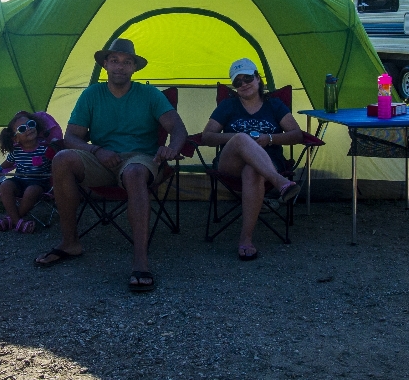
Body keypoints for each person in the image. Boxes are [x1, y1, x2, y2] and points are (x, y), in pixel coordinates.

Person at [34, 38, 188, 292]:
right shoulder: (92, 95)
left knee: (135, 172)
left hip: (140, 158)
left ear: (134, 68)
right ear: (105, 64)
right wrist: (96, 150)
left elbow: (177, 128)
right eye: (114, 60)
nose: (120, 66)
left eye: (127, 62)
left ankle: (141, 261)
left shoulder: (149, 94)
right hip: (101, 158)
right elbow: (71, 137)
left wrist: (172, 149)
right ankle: (70, 242)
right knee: (62, 159)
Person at [200, 58, 302, 261]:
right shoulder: (228, 105)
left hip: (266, 161)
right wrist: (240, 140)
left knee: (252, 170)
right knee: (240, 138)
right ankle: (280, 182)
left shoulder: (274, 105)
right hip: (230, 163)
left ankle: (246, 239)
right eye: (237, 82)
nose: (244, 84)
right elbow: (207, 137)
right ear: (234, 87)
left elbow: (297, 134)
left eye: (248, 78)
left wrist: (269, 139)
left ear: (258, 78)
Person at [0, 110, 63, 233]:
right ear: (16, 138)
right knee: (6, 186)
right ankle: (17, 221)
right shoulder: (16, 151)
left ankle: (13, 220)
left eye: (31, 124)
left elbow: (56, 164)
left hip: (39, 184)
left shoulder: (46, 148)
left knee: (32, 190)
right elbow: (7, 164)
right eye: (22, 129)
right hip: (19, 181)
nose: (28, 128)